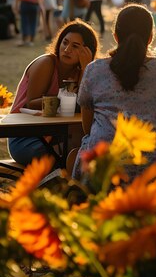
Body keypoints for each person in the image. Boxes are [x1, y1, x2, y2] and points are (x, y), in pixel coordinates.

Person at [72, 5, 156, 181]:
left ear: (115, 36)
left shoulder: (94, 70)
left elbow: (87, 127)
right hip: (154, 171)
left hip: (103, 170)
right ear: (150, 38)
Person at [8, 20, 99, 167]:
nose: (67, 49)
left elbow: (82, 105)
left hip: (58, 134)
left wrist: (84, 69)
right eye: (65, 42)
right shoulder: (46, 63)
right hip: (25, 135)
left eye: (75, 46)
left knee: (85, 149)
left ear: (87, 51)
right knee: (62, 156)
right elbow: (31, 103)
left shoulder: (82, 72)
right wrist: (64, 98)